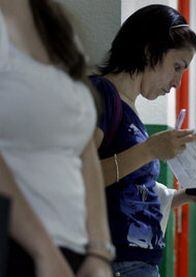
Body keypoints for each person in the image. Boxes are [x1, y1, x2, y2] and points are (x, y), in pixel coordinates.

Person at [91, 5, 196, 276]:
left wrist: (185, 197)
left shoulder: (131, 110)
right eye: (176, 67)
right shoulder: (100, 95)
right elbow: (79, 176)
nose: (178, 81)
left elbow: (132, 191)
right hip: (114, 261)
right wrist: (149, 150)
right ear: (148, 51)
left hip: (139, 261)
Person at [0, 0, 112, 276]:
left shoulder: (57, 28)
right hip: (18, 248)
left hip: (73, 251)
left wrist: (98, 252)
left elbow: (84, 149)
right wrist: (43, 251)